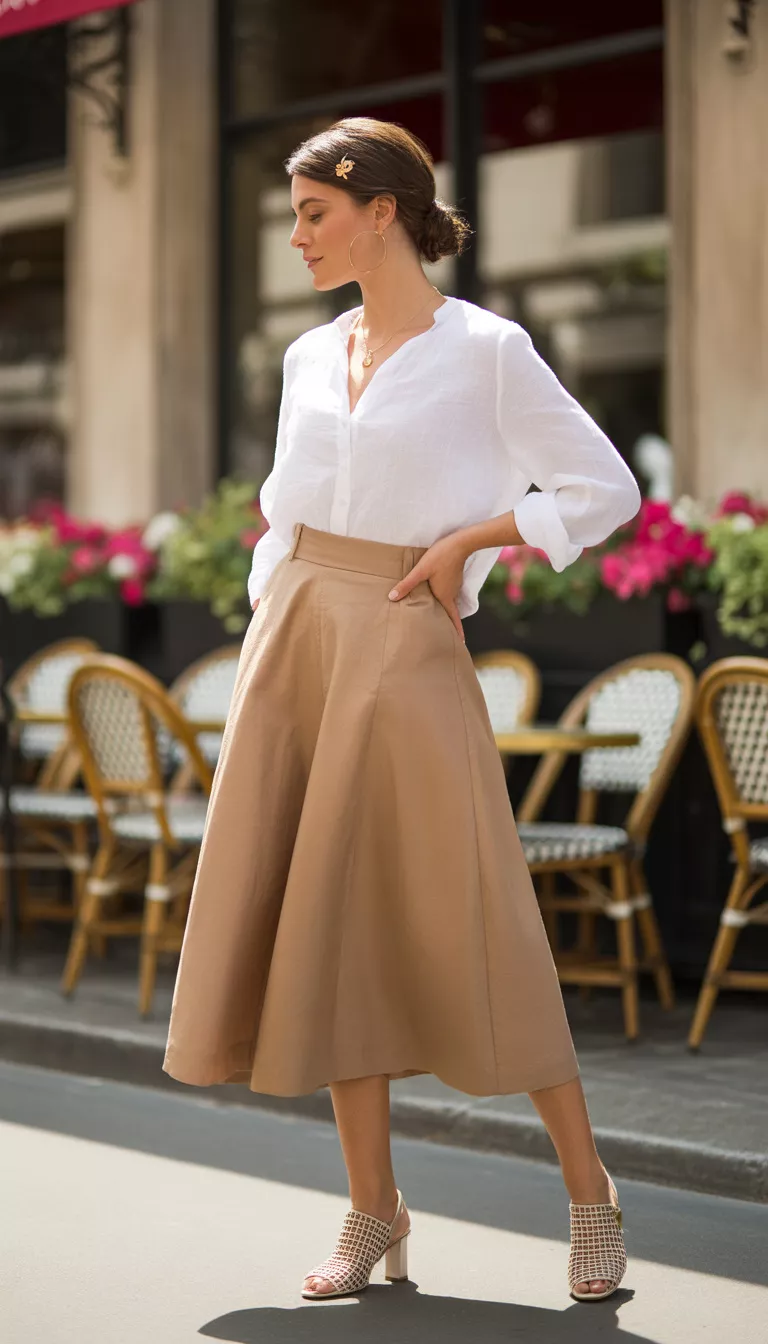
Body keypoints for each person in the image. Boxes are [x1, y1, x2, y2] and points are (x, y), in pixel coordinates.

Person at [162, 116, 640, 1305]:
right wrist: (271, 627)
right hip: (301, 635)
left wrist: (478, 538)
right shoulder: (307, 357)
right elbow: (282, 509)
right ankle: (375, 1209)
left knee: (476, 912)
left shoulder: (487, 349)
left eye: (313, 211)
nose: (297, 234)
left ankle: (591, 1190)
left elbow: (606, 487)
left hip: (409, 634)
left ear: (383, 209)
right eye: (294, 212)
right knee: (326, 924)